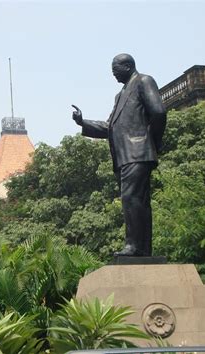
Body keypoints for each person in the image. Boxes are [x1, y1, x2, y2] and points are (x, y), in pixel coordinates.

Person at [71, 53, 167, 257]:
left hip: (138, 152)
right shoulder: (120, 95)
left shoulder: (144, 81)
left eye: (116, 70)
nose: (113, 74)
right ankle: (143, 249)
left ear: (128, 66)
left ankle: (134, 246)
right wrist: (83, 122)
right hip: (126, 156)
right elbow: (110, 127)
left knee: (131, 197)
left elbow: (158, 112)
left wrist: (152, 142)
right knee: (137, 201)